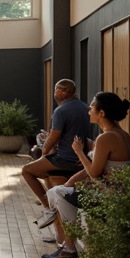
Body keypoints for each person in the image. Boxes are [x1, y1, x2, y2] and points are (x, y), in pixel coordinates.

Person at [38, 92, 130, 258]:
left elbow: (94, 172)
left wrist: (78, 151)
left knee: (58, 194)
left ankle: (69, 248)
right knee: (60, 191)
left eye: (92, 107)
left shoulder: (106, 138)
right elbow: (92, 169)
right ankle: (67, 242)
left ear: (102, 113)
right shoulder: (122, 135)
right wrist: (70, 182)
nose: (89, 110)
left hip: (113, 199)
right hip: (124, 195)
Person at [21, 79, 95, 213]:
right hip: (82, 159)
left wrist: (44, 153)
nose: (54, 93)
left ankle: (48, 208)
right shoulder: (86, 108)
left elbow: (54, 137)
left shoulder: (61, 110)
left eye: (56, 89)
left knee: (27, 170)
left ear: (63, 91)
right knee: (44, 172)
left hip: (64, 159)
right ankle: (51, 199)